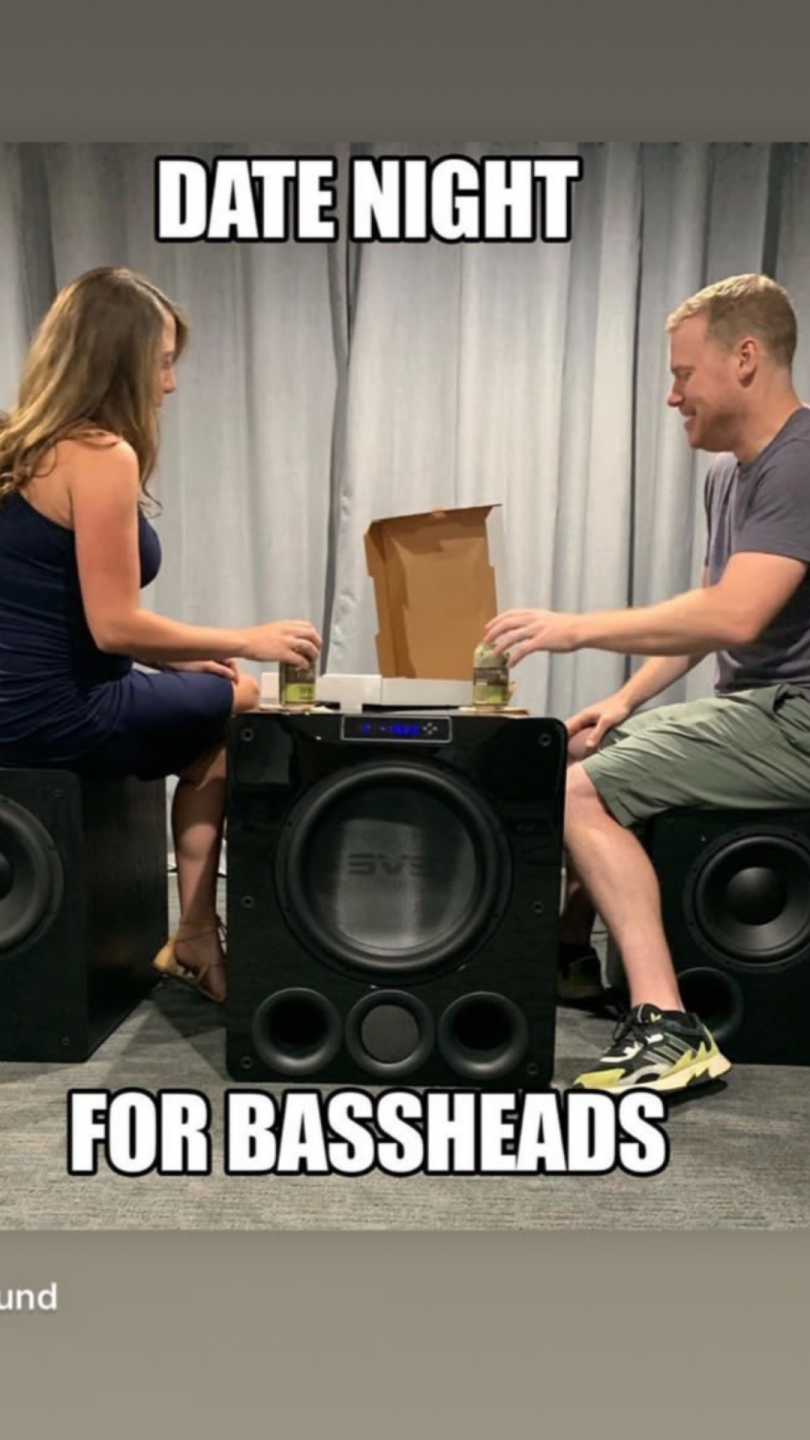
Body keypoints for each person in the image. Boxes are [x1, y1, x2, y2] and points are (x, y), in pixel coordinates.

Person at [485, 272, 810, 1094]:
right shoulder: (729, 474)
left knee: (575, 794)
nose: (673, 397)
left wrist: (575, 628)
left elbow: (734, 616)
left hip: (799, 720)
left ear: (745, 358)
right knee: (579, 748)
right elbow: (705, 617)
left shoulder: (802, 464)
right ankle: (569, 956)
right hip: (761, 711)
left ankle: (668, 1026)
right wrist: (625, 700)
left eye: (682, 374)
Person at [0, 266, 321, 1004]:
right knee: (240, 698)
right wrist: (246, 638)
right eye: (163, 362)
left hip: (17, 704)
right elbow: (113, 625)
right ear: (116, 360)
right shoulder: (98, 454)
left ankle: (196, 934)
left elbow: (50, 607)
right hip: (58, 712)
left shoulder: (17, 445)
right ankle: (198, 932)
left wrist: (182, 656)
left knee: (209, 708)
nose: (170, 384)